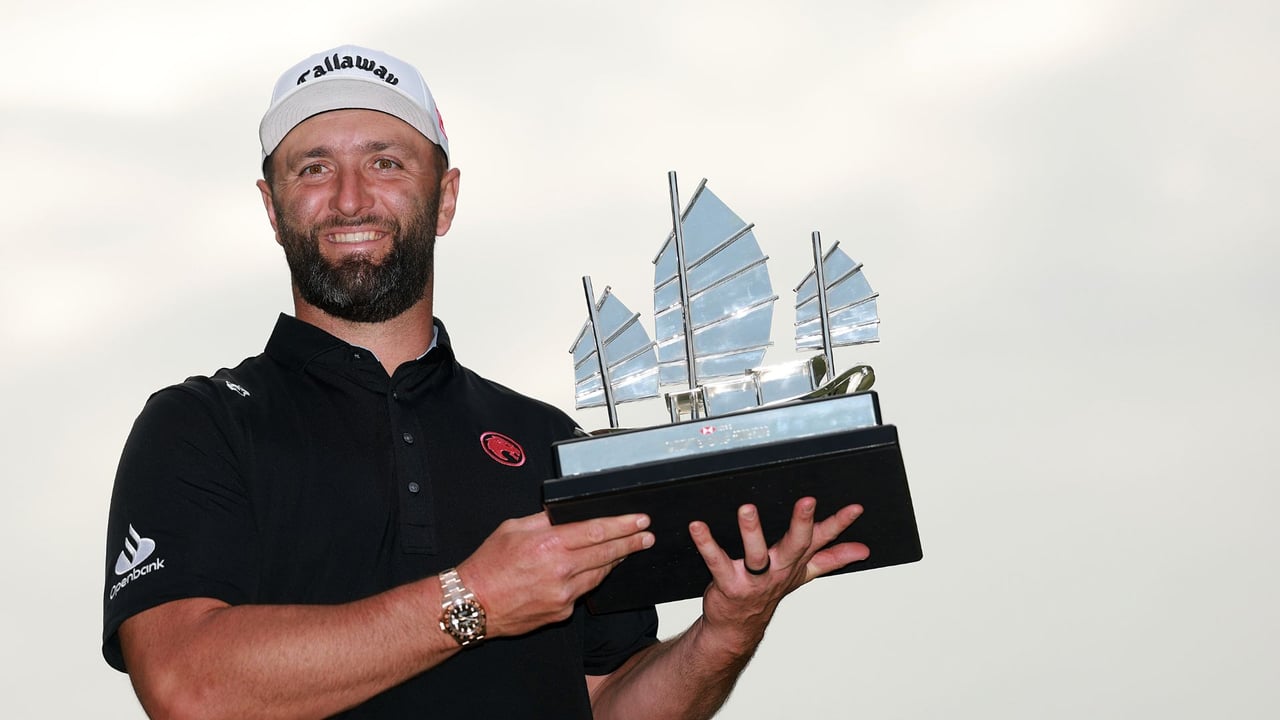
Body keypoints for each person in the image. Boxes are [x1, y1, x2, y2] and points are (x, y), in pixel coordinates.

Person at [102, 44, 870, 719]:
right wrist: (473, 599)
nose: (349, 198)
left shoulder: (550, 442)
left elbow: (608, 705)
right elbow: (187, 688)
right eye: (313, 168)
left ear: (447, 198)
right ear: (272, 209)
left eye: (386, 161)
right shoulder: (197, 426)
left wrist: (724, 634)